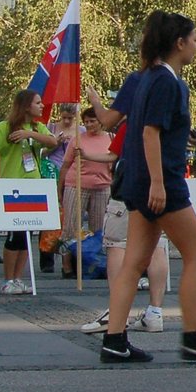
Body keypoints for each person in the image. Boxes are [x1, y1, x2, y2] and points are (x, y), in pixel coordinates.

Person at [98, 10, 196, 363]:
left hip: (140, 182)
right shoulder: (166, 81)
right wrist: (158, 182)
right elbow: (149, 132)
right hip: (162, 183)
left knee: (134, 262)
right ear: (179, 43)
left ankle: (114, 339)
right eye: (195, 39)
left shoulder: (149, 78)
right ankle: (192, 337)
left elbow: (147, 128)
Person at [78, 134, 167, 336]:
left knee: (116, 244)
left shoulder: (134, 118)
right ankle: (155, 312)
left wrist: (94, 101)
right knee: (157, 244)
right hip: (160, 186)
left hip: (130, 189)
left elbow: (113, 151)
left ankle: (117, 312)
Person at [0, 90, 61, 294]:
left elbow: (52, 142)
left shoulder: (36, 126)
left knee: (27, 235)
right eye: (38, 103)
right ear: (26, 106)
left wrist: (30, 134)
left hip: (33, 186)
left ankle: (18, 278)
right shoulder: (4, 127)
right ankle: (8, 279)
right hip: (12, 187)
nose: (42, 106)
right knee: (14, 235)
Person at [60, 109, 116, 251]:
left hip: (102, 187)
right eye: (86, 122)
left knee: (99, 228)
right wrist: (59, 189)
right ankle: (68, 266)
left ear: (100, 121)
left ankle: (94, 262)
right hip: (76, 185)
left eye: (92, 121)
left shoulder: (111, 138)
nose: (89, 125)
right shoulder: (77, 139)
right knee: (71, 227)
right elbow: (65, 165)